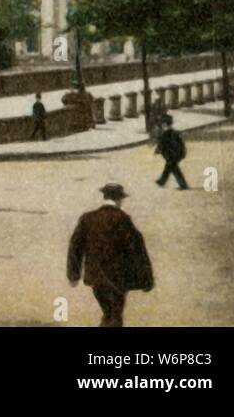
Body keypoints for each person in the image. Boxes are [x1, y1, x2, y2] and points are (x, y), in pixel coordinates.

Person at [67, 184, 154, 326]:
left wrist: (73, 274)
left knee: (108, 312)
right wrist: (146, 279)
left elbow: (75, 246)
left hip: (95, 278)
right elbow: (138, 250)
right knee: (114, 314)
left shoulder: (87, 218)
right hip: (118, 279)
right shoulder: (123, 219)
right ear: (120, 199)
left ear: (104, 197)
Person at [154, 114, 188, 190]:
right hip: (175, 155)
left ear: (164, 124)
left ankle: (183, 185)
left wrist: (158, 150)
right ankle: (161, 181)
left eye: (162, 124)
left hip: (170, 155)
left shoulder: (165, 134)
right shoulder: (174, 133)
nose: (161, 126)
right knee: (169, 168)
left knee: (174, 169)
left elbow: (162, 144)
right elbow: (181, 144)